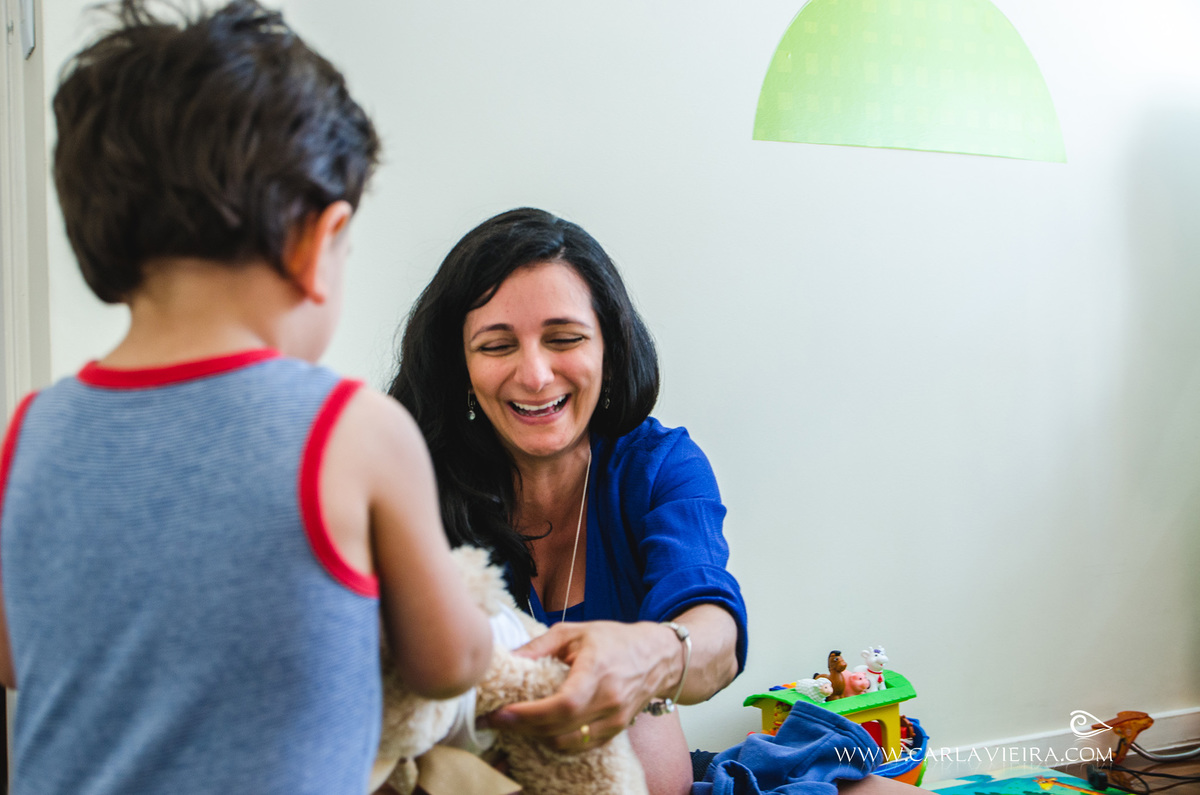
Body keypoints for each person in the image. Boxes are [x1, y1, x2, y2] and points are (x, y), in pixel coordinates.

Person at [0, 2, 492, 793]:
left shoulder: (30, 433)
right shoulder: (354, 431)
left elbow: (17, 653)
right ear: (315, 243)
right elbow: (446, 662)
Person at [389, 207, 748, 795]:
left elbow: (716, 633)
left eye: (564, 339)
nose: (534, 375)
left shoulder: (659, 467)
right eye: (497, 345)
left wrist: (654, 654)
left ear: (609, 347)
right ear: (461, 367)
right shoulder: (412, 485)